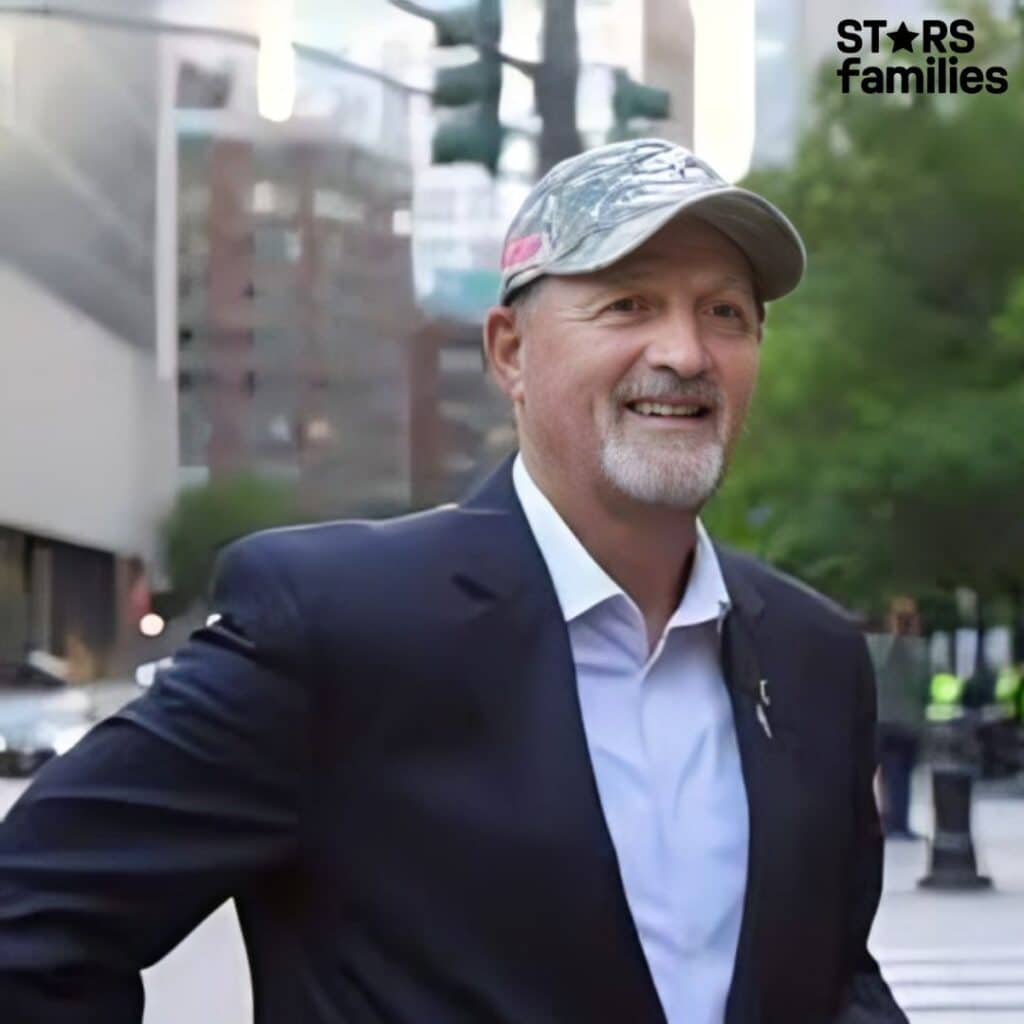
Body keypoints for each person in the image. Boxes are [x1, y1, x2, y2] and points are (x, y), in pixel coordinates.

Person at [0, 139, 907, 1023]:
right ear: (510, 352)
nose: (686, 352)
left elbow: (832, 978)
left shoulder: (814, 657)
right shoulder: (339, 625)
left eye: (725, 313)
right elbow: (29, 925)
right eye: (629, 303)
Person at [866, 597, 930, 839]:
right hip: (908, 723)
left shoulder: (875, 647)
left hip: (881, 721)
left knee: (881, 775)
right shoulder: (920, 650)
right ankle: (898, 823)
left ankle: (883, 819)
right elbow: (924, 686)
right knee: (901, 776)